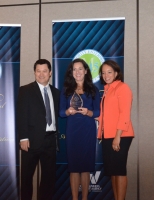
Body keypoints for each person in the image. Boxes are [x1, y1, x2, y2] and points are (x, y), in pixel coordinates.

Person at [17, 59, 60, 200]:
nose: (41, 74)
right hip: (31, 141)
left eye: (44, 71)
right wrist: (23, 137)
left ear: (50, 73)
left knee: (49, 178)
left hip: (50, 141)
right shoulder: (26, 90)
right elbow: (21, 114)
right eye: (38, 71)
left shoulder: (56, 92)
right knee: (27, 178)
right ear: (35, 72)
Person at [59, 58, 100, 200]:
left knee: (86, 168)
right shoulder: (66, 90)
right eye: (74, 69)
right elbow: (60, 113)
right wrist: (68, 112)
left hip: (88, 131)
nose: (77, 72)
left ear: (86, 71)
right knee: (74, 168)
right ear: (71, 72)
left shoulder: (93, 89)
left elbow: (97, 112)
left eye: (80, 69)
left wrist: (88, 112)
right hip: (72, 132)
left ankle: (85, 198)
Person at [97, 60, 134, 200]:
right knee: (113, 172)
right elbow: (106, 115)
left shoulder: (123, 88)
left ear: (116, 73)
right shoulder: (108, 89)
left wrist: (117, 136)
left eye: (109, 72)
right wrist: (88, 113)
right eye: (103, 72)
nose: (106, 75)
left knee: (119, 171)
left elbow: (125, 113)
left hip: (121, 135)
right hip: (107, 135)